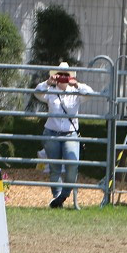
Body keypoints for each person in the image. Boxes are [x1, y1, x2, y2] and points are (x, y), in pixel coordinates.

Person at [33, 62, 94, 209]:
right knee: (55, 168)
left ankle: (63, 195)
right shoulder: (50, 91)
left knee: (72, 165)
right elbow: (37, 92)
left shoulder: (76, 93)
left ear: (71, 77)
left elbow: (90, 93)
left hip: (70, 134)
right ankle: (57, 197)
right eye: (60, 74)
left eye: (66, 75)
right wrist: (48, 82)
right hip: (51, 133)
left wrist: (77, 84)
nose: (63, 78)